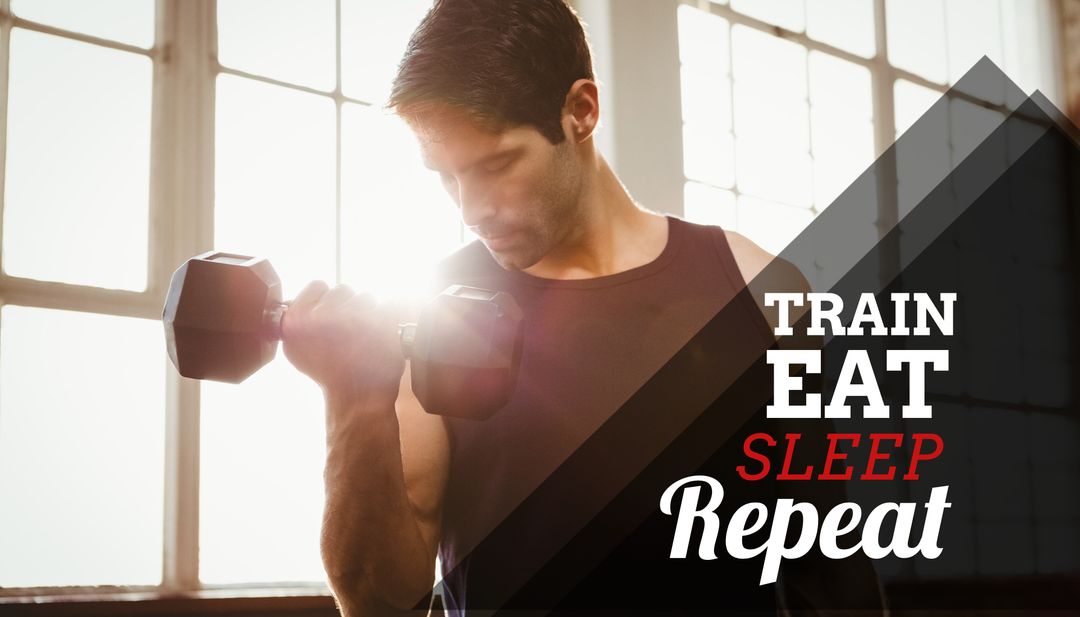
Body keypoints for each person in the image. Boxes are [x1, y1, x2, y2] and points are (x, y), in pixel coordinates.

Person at [281, 1, 884, 615]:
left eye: (495, 165)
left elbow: (828, 561)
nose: (470, 208)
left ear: (580, 111)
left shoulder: (761, 290)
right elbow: (380, 601)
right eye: (446, 175)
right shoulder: (431, 310)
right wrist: (353, 402)